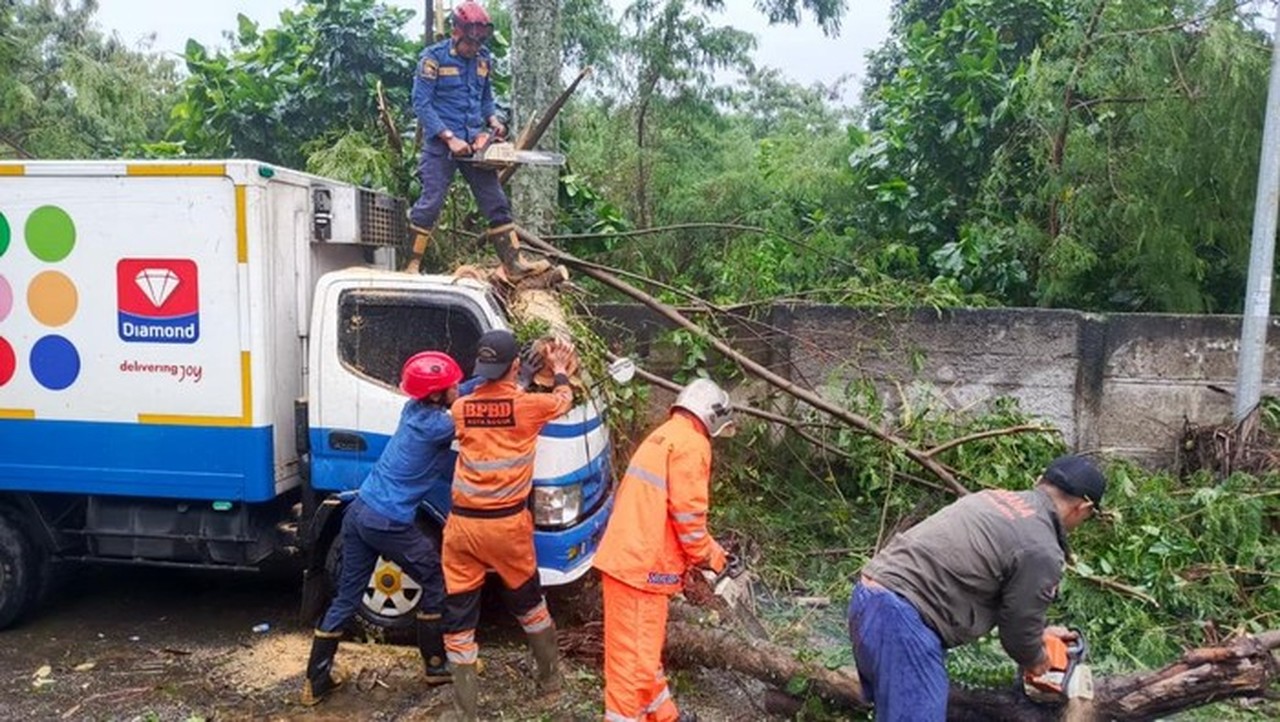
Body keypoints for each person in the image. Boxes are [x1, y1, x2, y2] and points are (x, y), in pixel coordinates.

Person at [848, 454, 1107, 721]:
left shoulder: (991, 498)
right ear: (1083, 507)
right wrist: (1037, 659)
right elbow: (1017, 632)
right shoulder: (1042, 548)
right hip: (903, 618)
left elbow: (996, 589)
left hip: (870, 599)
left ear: (1041, 480)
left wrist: (1037, 634)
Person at [302, 350, 479, 706]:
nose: (458, 387)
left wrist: (483, 381)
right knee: (434, 578)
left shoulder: (413, 409)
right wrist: (509, 384)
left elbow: (463, 396)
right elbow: (476, 412)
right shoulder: (439, 426)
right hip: (388, 521)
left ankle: (315, 681)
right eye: (451, 385)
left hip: (359, 512)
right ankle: (435, 664)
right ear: (436, 394)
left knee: (347, 596)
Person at [441, 329, 576, 721]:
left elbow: (489, 408)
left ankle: (464, 712)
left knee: (459, 619)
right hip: (507, 528)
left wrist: (515, 381)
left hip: (462, 529)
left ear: (481, 368)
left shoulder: (461, 409)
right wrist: (561, 370)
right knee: (530, 606)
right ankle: (549, 682)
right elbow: (563, 401)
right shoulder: (530, 407)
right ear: (516, 365)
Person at [593, 378, 737, 722]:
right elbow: (688, 518)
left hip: (632, 560)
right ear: (713, 414)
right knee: (633, 667)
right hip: (642, 568)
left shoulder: (665, 435)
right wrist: (712, 557)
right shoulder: (692, 443)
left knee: (642, 655)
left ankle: (665, 716)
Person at [407, 0, 549, 280]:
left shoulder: (483, 59)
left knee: (495, 200)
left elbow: (485, 99)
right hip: (441, 144)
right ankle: (411, 264)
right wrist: (448, 137)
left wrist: (493, 121)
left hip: (474, 146)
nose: (474, 49)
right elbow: (421, 104)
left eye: (478, 43)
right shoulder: (433, 58)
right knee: (431, 201)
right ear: (457, 33)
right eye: (470, 43)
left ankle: (513, 263)